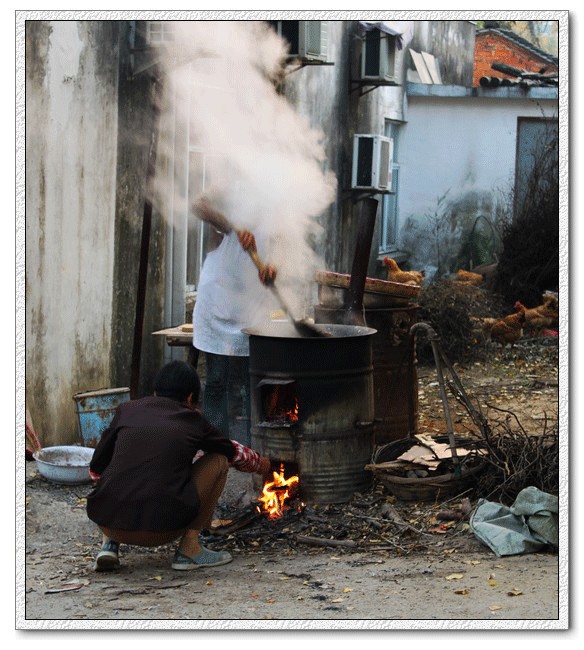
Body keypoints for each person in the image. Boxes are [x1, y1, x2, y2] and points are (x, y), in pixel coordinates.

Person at [86, 360, 272, 572]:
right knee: (218, 461)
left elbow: (96, 467)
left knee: (119, 463)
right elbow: (233, 452)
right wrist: (262, 465)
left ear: (155, 391)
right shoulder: (192, 419)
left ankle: (109, 544)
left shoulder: (126, 410)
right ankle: (189, 551)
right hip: (162, 531)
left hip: (108, 522)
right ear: (191, 398)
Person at [192, 194, 277, 443]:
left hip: (252, 301)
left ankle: (254, 445)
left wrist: (274, 266)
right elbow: (198, 205)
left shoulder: (278, 187)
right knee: (217, 379)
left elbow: (284, 239)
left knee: (253, 381)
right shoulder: (229, 180)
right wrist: (232, 227)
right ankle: (216, 445)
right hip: (218, 297)